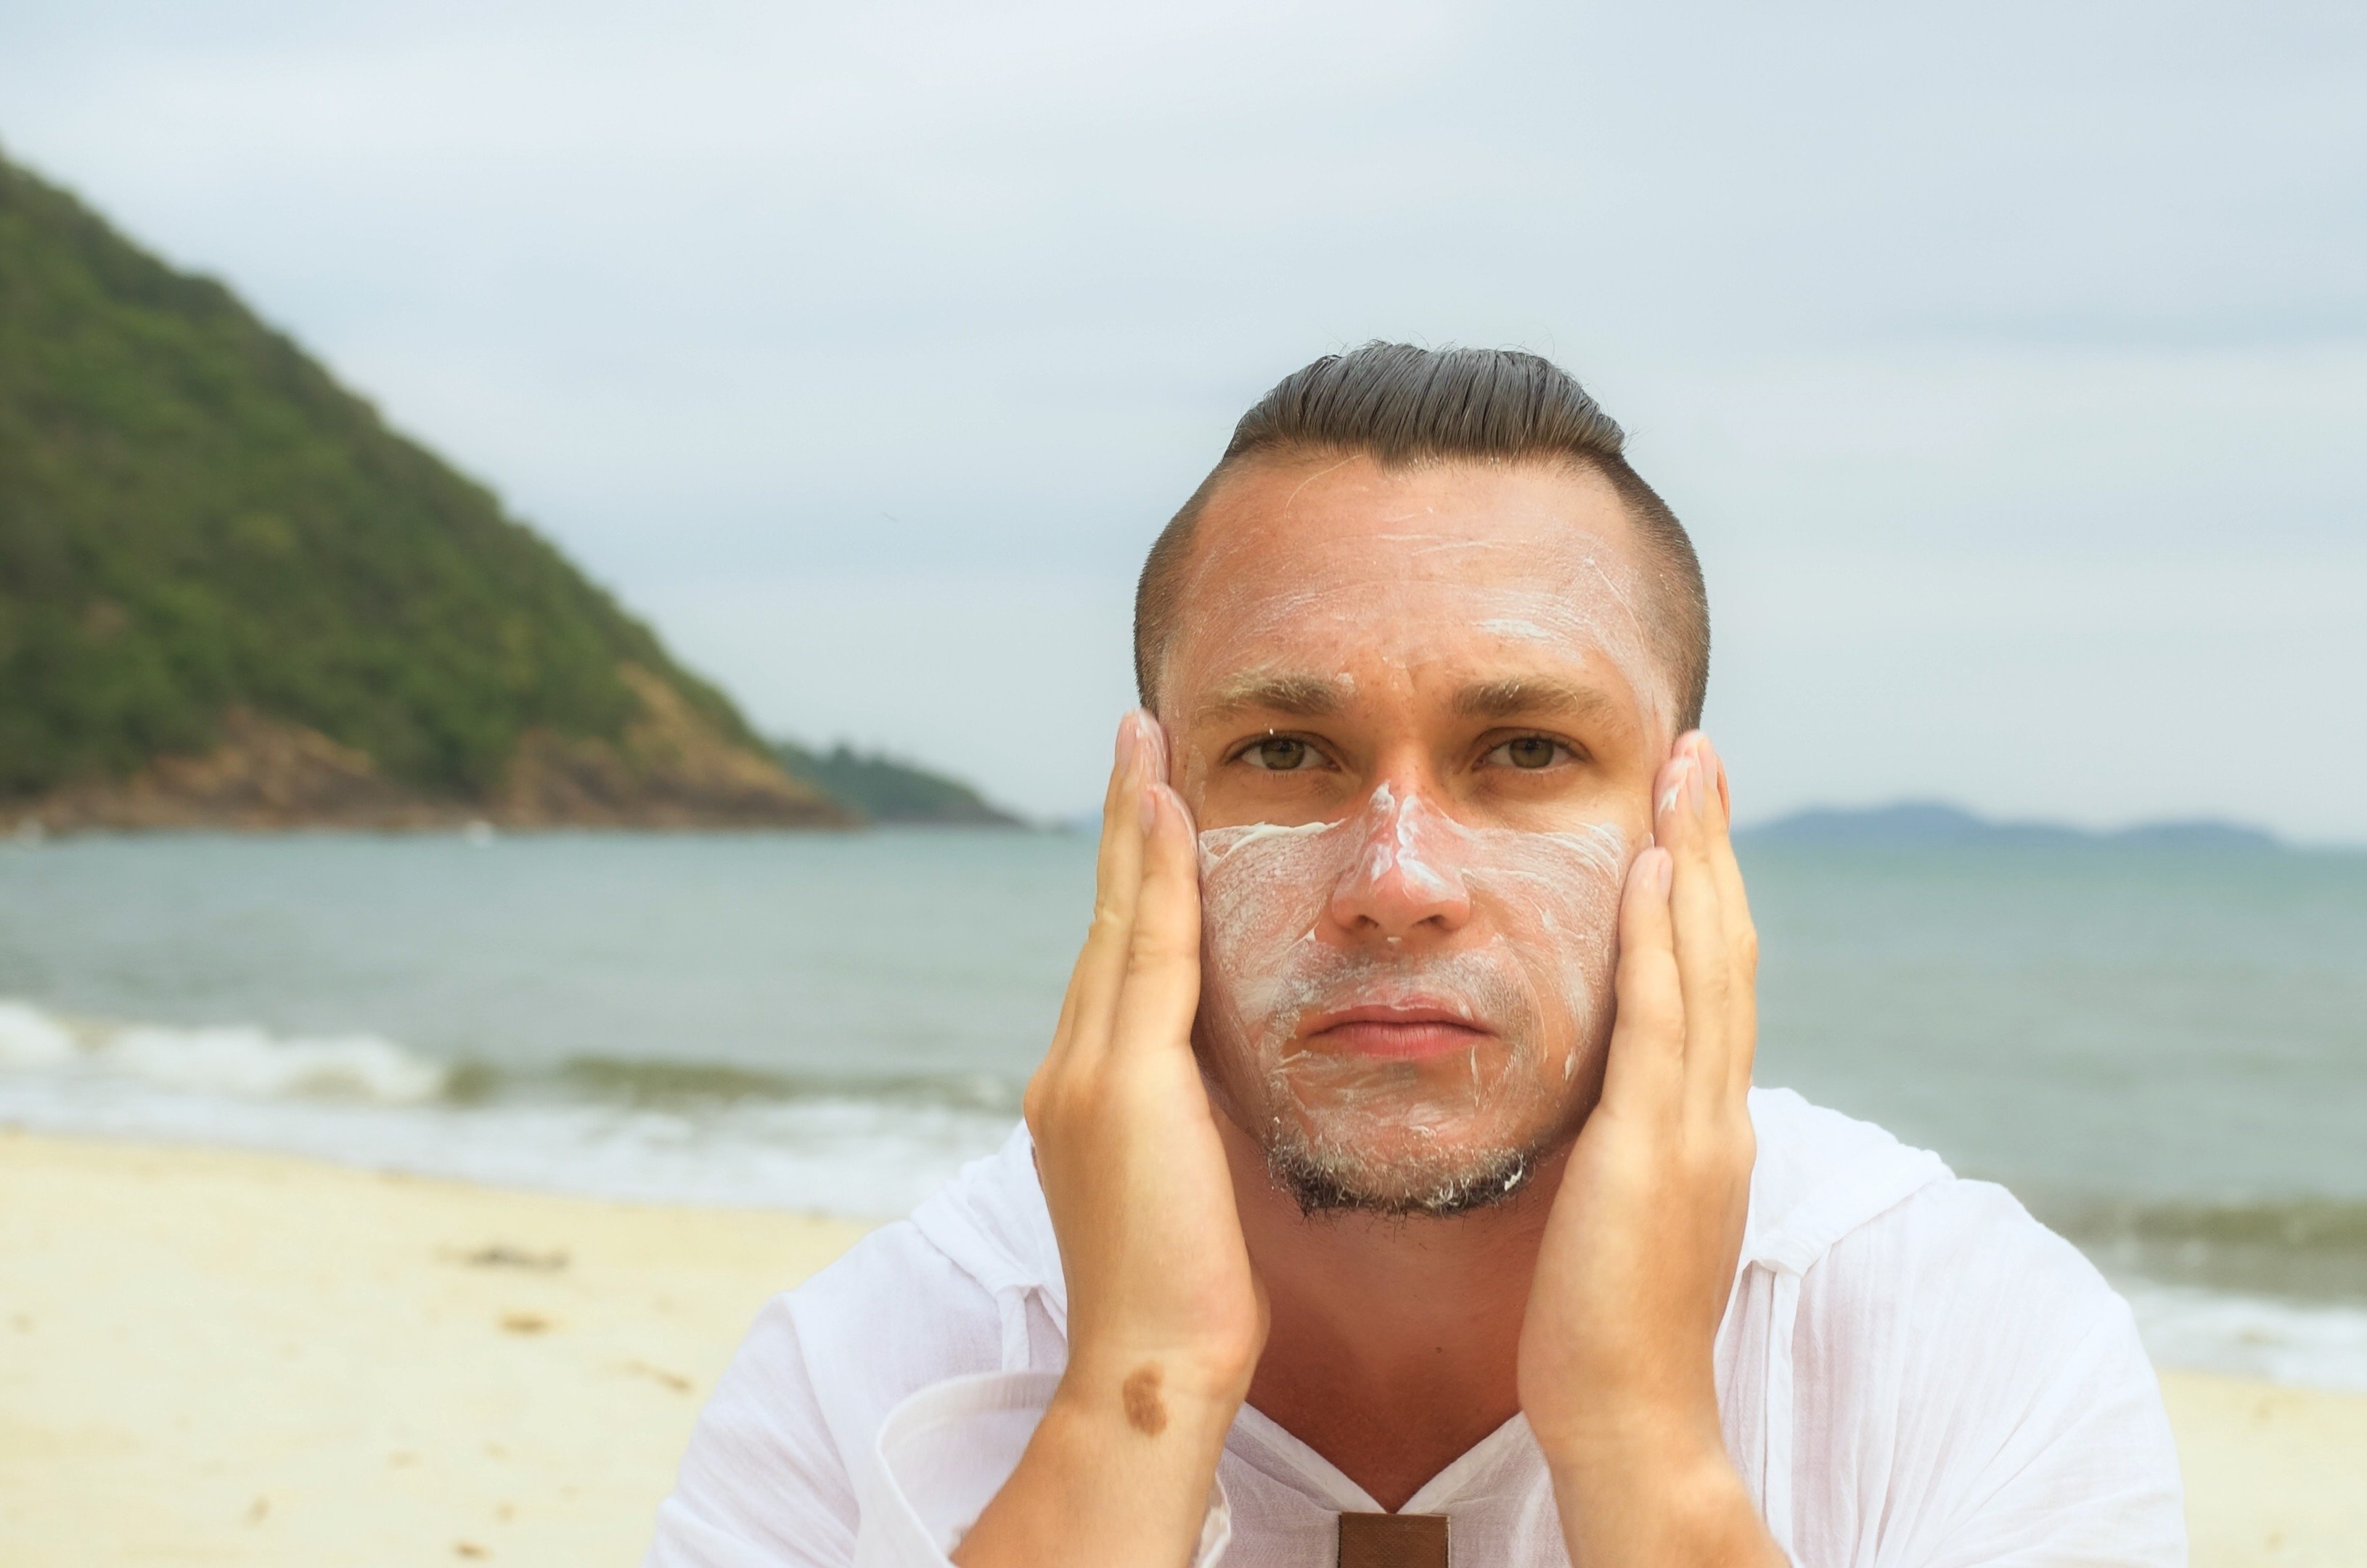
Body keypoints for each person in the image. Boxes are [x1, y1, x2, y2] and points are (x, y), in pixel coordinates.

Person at [644, 344, 2186, 1567]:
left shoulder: (1969, 1344)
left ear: (1684, 823)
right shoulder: (866, 1374)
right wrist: (1137, 1402)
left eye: (1522, 747)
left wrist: (1644, 1444)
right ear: (1149, 814)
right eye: (1287, 750)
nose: (1398, 881)